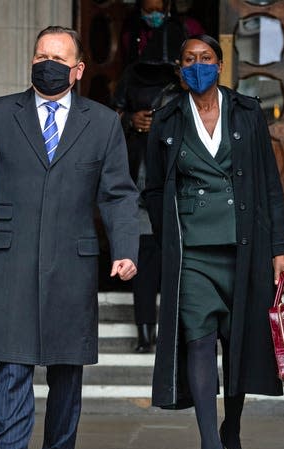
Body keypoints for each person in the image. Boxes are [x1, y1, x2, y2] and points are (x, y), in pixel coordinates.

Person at [0, 26, 139, 449]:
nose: (46, 63)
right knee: (12, 367)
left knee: (66, 373)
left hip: (72, 264)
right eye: (40, 55)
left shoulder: (102, 122)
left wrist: (126, 248)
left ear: (76, 70)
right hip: (8, 260)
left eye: (57, 57)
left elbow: (118, 193)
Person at [143, 35, 284, 449]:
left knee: (240, 344)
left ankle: (232, 430)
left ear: (220, 64)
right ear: (179, 68)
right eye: (189, 60)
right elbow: (153, 188)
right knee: (200, 342)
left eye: (205, 59)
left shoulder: (246, 113)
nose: (197, 66)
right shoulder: (167, 117)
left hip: (244, 247)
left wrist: (279, 248)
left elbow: (269, 183)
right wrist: (170, 237)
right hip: (192, 253)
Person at [114, 0, 198, 352]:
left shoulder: (186, 87)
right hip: (142, 183)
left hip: (179, 187)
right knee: (145, 261)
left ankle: (177, 331)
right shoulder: (131, 76)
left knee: (179, 262)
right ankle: (145, 331)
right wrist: (131, 121)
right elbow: (112, 116)